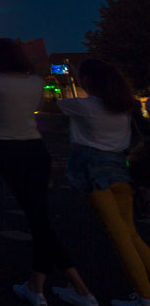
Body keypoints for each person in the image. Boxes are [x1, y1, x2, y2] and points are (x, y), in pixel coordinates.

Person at [0, 38, 95, 305]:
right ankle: (40, 286)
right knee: (39, 217)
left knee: (38, 221)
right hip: (36, 150)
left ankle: (79, 290)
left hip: (6, 150)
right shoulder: (35, 82)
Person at [58, 59, 150, 306]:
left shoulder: (82, 105)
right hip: (120, 171)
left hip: (94, 173)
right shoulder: (122, 107)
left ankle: (145, 296)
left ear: (87, 80)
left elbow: (48, 102)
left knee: (119, 236)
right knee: (131, 233)